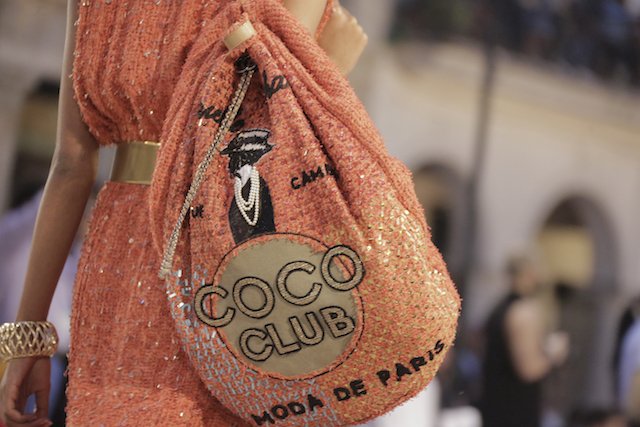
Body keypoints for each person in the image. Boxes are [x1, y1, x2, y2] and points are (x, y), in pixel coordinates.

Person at [0, 1, 367, 426]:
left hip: (204, 267)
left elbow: (71, 164)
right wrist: (329, 67)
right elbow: (270, 136)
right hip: (149, 272)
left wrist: (27, 340)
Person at [479, 253, 569, 427]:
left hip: (493, 405)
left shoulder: (498, 308)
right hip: (514, 410)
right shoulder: (523, 312)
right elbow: (528, 369)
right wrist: (554, 354)